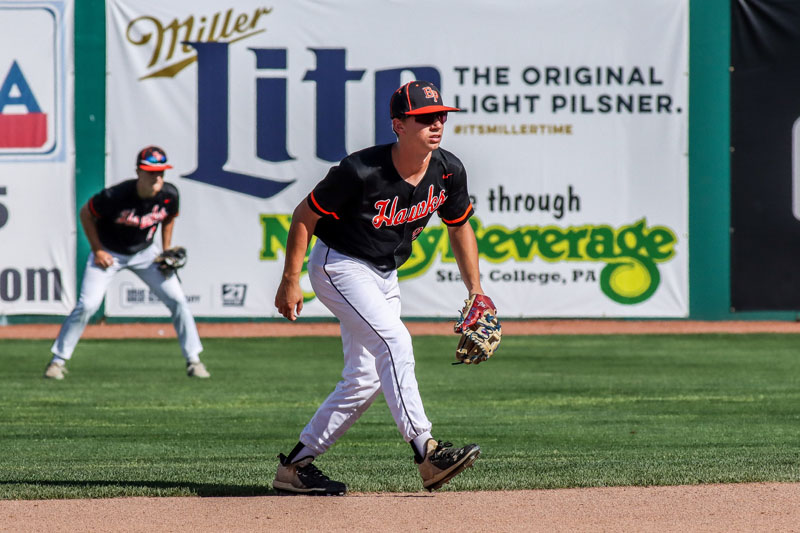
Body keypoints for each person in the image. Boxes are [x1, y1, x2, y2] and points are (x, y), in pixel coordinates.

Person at [273, 81, 485, 495]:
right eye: (425, 118)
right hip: (339, 264)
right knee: (396, 342)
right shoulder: (361, 170)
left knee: (365, 379)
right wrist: (290, 279)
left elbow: (459, 226)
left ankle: (295, 468)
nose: (437, 123)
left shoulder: (447, 170)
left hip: (385, 274)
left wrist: (475, 290)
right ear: (398, 125)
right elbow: (305, 215)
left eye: (441, 115)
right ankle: (426, 451)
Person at [43, 146, 209, 380]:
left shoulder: (169, 194)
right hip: (109, 253)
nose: (157, 177)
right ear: (139, 172)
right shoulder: (116, 196)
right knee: (88, 305)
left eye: (161, 172)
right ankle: (57, 362)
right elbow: (85, 214)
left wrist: (166, 249)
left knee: (178, 300)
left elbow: (169, 216)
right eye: (151, 172)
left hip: (146, 253)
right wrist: (98, 249)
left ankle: (194, 360)